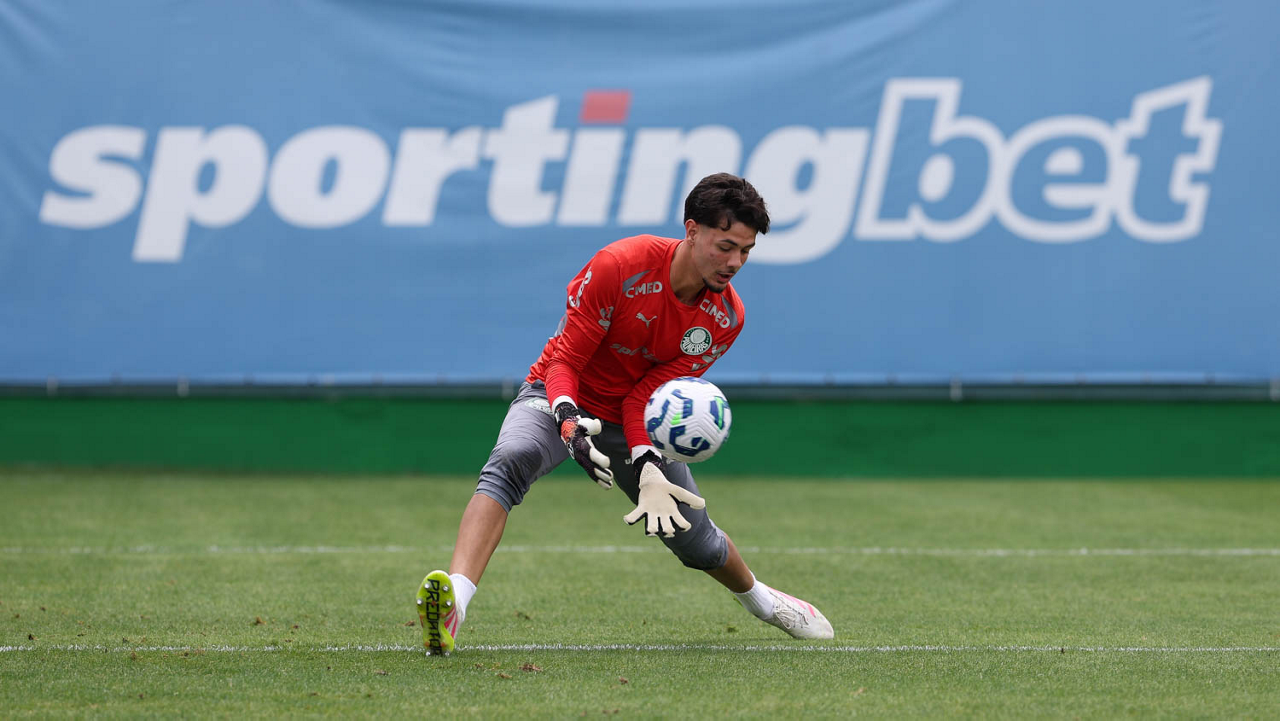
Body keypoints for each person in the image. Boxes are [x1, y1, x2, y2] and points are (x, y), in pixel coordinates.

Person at [415, 172, 833, 655]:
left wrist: (648, 464)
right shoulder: (619, 266)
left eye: (746, 251)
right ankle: (454, 604)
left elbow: (643, 398)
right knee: (513, 458)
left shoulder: (725, 319)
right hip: (560, 394)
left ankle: (765, 603)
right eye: (725, 247)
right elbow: (565, 362)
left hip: (634, 417)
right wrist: (569, 422)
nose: (735, 262)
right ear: (691, 230)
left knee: (696, 542)